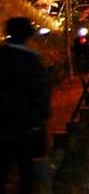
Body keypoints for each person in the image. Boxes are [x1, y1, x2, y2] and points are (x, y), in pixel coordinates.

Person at [1, 17, 51, 194]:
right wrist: (43, 117)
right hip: (26, 123)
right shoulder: (32, 60)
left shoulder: (2, 56)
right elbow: (40, 93)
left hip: (3, 123)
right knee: (25, 168)